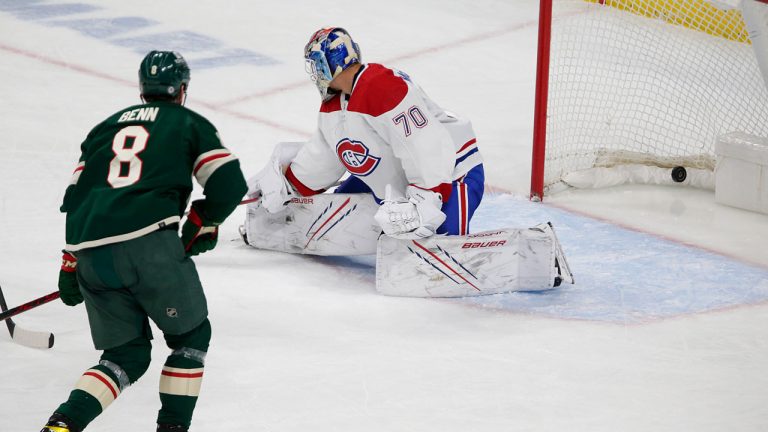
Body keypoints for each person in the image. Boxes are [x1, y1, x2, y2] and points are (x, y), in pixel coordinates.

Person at [42, 51, 247, 432]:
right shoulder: (187, 122)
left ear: (142, 89)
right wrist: (206, 220)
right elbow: (230, 183)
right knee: (191, 337)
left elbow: (76, 199)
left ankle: (61, 425)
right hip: (149, 247)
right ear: (182, 90)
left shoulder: (103, 129)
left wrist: (71, 262)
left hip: (91, 255)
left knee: (124, 355)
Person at [254, 27, 484, 240]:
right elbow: (326, 157)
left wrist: (427, 195)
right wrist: (289, 184)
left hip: (450, 175)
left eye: (316, 65)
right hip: (396, 182)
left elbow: (423, 141)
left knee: (438, 239)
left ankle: (432, 215)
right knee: (330, 209)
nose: (315, 74)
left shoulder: (381, 85)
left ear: (328, 64)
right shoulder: (334, 106)